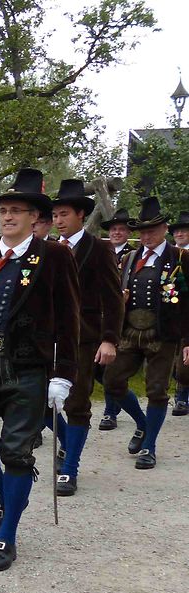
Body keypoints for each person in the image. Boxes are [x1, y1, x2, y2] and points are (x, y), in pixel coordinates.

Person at [0, 168, 79, 572]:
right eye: (3, 210)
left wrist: (63, 374)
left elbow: (69, 318)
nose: (8, 216)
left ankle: (6, 535)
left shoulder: (54, 255)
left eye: (17, 210)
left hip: (27, 368)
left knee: (16, 452)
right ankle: (8, 498)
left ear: (35, 218)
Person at [102, 197, 189, 470]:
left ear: (164, 229)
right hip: (129, 332)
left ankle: (149, 446)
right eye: (142, 231)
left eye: (152, 230)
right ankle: (141, 423)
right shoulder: (128, 259)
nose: (147, 236)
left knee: (156, 390)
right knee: (112, 380)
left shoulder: (181, 258)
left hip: (163, 334)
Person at [48, 180, 122, 496]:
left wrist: (110, 339)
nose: (58, 220)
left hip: (83, 338)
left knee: (77, 403)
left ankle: (70, 469)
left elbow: (113, 298)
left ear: (81, 214)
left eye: (64, 214)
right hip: (47, 337)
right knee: (40, 402)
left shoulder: (99, 248)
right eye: (54, 215)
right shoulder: (49, 249)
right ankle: (67, 443)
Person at [98, 207, 141, 430]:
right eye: (113, 229)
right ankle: (114, 403)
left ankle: (109, 410)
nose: (116, 233)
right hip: (98, 311)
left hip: (120, 313)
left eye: (121, 229)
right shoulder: (101, 250)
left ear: (127, 233)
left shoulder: (133, 254)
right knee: (98, 367)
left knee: (111, 365)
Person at [169, 210, 189, 415]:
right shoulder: (167, 255)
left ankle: (183, 397)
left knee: (185, 360)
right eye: (177, 231)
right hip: (168, 310)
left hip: (187, 310)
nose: (180, 234)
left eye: (184, 231)